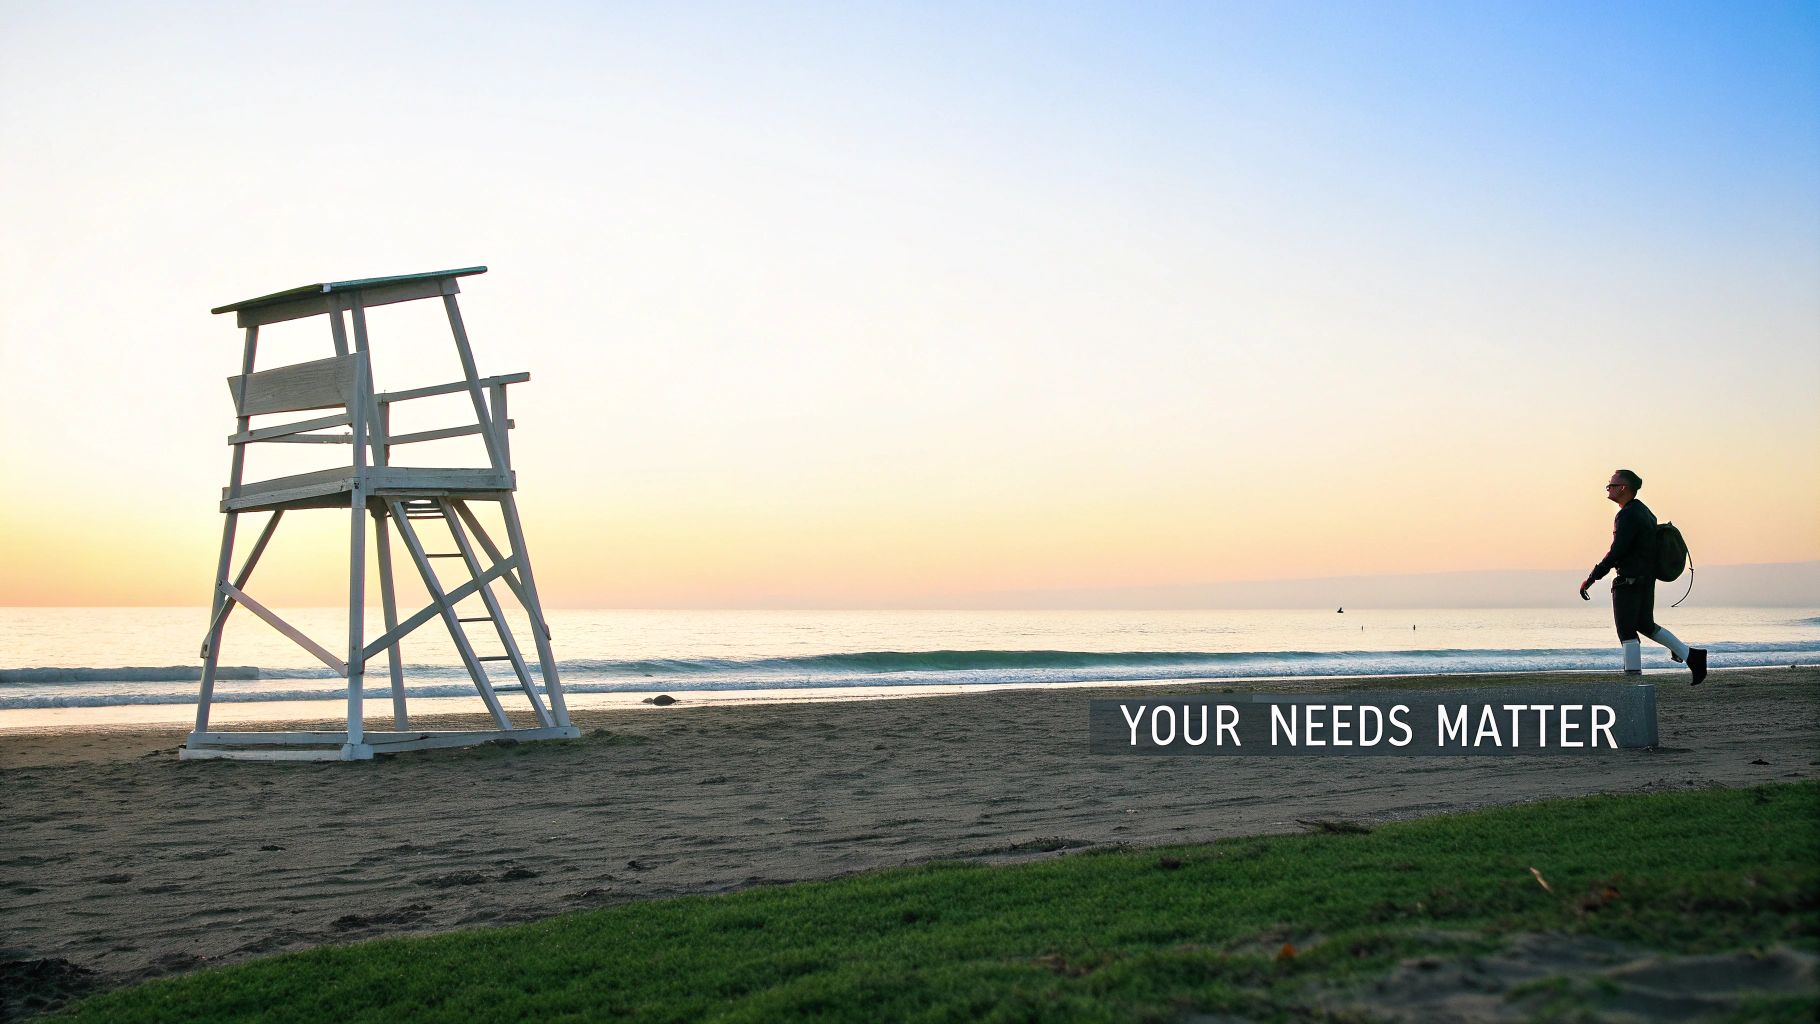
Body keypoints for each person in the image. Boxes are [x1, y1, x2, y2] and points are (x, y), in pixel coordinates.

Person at [1579, 469, 1708, 684]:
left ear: (1623, 488)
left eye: (1611, 484)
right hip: (1646, 581)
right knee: (1646, 625)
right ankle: (1692, 656)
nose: (1608, 488)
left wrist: (1592, 578)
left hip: (1629, 582)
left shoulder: (1627, 515)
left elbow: (1617, 551)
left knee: (1627, 632)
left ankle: (1632, 682)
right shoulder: (1645, 512)